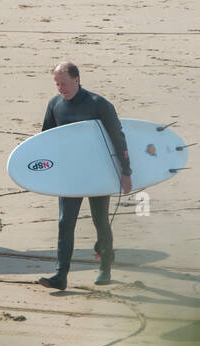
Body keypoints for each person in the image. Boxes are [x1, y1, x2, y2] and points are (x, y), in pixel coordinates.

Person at [36, 61, 131, 290]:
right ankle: (61, 275)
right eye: (57, 84)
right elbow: (45, 141)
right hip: (70, 175)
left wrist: (125, 171)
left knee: (100, 221)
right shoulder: (54, 105)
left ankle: (105, 267)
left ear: (77, 79)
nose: (61, 88)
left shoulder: (98, 104)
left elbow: (118, 137)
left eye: (65, 83)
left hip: (97, 173)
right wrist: (45, 172)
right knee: (64, 223)